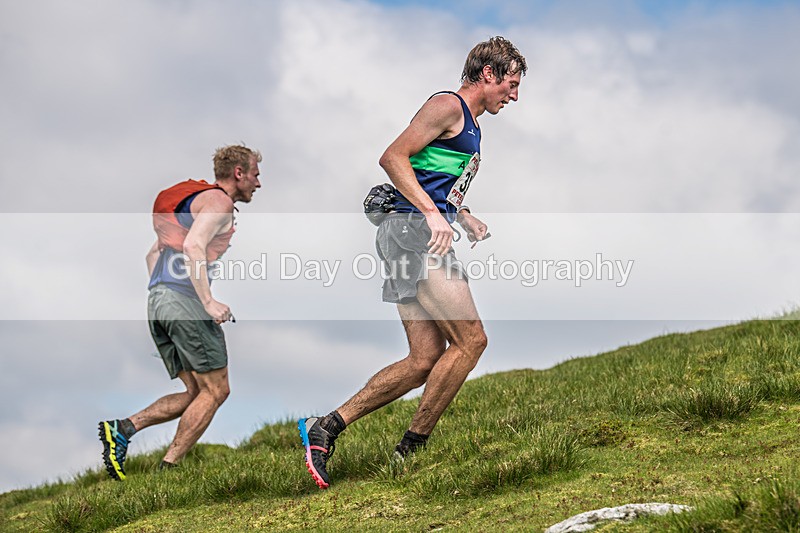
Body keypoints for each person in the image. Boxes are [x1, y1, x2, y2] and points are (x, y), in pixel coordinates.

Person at [299, 36, 526, 489]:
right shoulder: (448, 106)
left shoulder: (471, 125)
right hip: (412, 233)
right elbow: (392, 157)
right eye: (512, 84)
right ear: (488, 74)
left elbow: (430, 178)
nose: (514, 96)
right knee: (472, 340)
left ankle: (326, 427)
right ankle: (411, 449)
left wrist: (461, 214)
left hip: (410, 232)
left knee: (424, 360)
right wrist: (431, 215)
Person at [98, 144, 262, 480]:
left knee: (196, 392)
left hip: (158, 300)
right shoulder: (218, 202)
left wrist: (166, 301)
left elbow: (152, 255)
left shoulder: (192, 203)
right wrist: (207, 302)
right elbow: (193, 246)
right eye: (255, 175)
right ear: (239, 173)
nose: (258, 183)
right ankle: (168, 470)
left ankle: (123, 429)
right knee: (217, 390)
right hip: (184, 303)